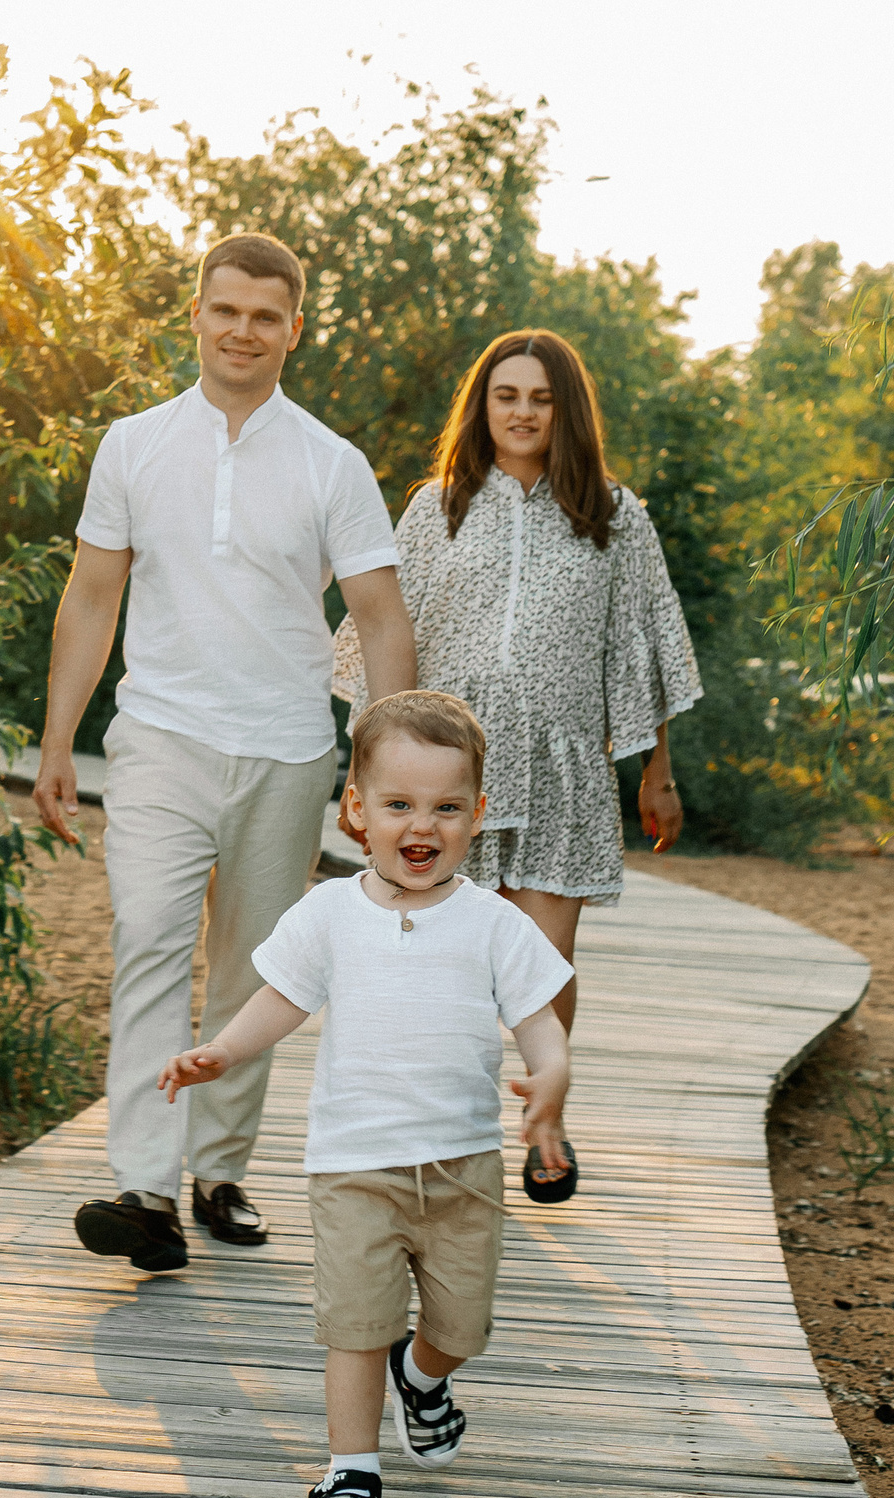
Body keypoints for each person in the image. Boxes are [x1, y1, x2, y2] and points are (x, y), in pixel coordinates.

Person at [37, 232, 417, 1274]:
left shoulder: (331, 464)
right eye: (225, 310)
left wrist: (376, 771)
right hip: (159, 736)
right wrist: (57, 738)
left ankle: (220, 1172)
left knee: (252, 970)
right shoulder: (133, 444)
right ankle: (143, 1189)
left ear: (293, 329)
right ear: (195, 317)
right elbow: (91, 596)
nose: (242, 330)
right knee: (152, 939)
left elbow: (383, 620)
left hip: (287, 749)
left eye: (264, 315)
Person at [159, 691, 572, 1498]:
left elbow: (541, 1017)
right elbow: (279, 1000)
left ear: (477, 816)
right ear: (357, 812)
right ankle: (352, 1471)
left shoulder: (496, 924)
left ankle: (422, 1379)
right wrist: (222, 1053)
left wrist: (551, 1076)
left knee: (463, 1326)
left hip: (463, 1168)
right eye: (399, 804)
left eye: (446, 807)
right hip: (353, 1166)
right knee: (355, 1323)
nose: (422, 825)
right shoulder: (328, 914)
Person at [332, 329, 700, 1194]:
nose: (524, 412)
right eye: (507, 396)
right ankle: (433, 1125)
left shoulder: (614, 513)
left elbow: (640, 645)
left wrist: (657, 771)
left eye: (540, 398)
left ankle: (544, 1119)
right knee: (441, 952)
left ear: (565, 410)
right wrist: (373, 777)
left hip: (565, 764)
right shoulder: (438, 506)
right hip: (448, 778)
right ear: (484, 406)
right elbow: (389, 632)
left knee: (545, 958)